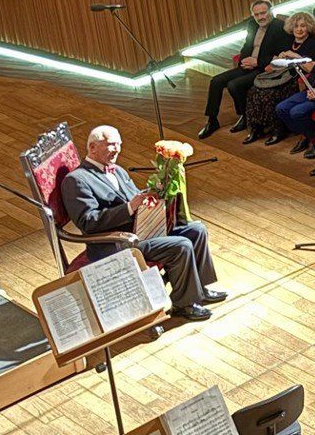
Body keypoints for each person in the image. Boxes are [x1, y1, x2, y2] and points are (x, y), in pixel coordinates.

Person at [61, 125, 224, 321]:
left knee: (196, 230)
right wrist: (130, 207)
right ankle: (184, 304)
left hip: (142, 229)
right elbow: (88, 222)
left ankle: (199, 290)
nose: (117, 150)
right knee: (181, 245)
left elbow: (133, 196)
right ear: (92, 147)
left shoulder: (118, 170)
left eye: (119, 145)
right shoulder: (76, 180)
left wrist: (150, 196)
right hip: (117, 242)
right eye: (111, 145)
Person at [200, 0, 290, 138]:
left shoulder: (280, 27)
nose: (261, 17)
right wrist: (243, 60)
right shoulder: (252, 25)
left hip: (264, 68)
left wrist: (257, 62)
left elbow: (280, 53)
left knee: (234, 85)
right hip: (248, 65)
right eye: (257, 14)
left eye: (263, 13)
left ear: (271, 11)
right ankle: (212, 120)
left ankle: (245, 115)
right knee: (216, 81)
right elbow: (247, 45)